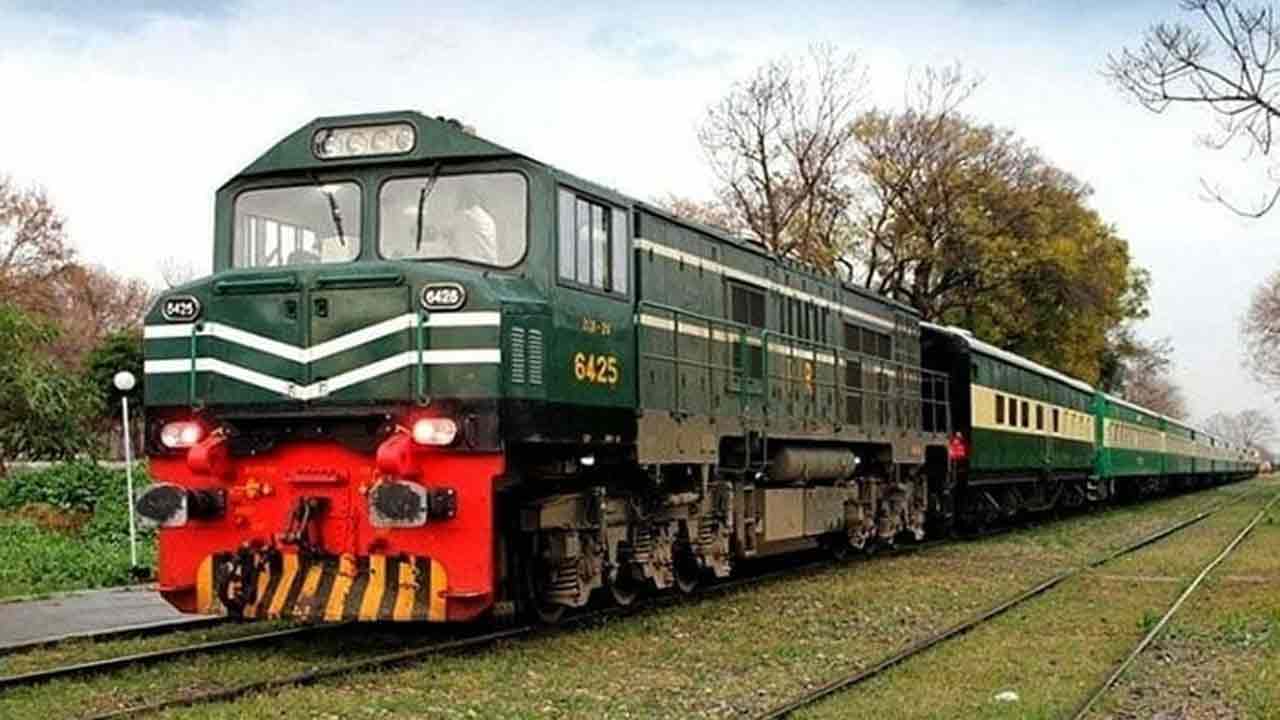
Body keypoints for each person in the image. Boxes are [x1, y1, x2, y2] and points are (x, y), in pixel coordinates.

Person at [448, 185, 497, 264]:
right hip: (486, 265)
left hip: (467, 265)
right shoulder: (488, 219)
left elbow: (448, 239)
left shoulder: (462, 217)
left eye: (460, 197)